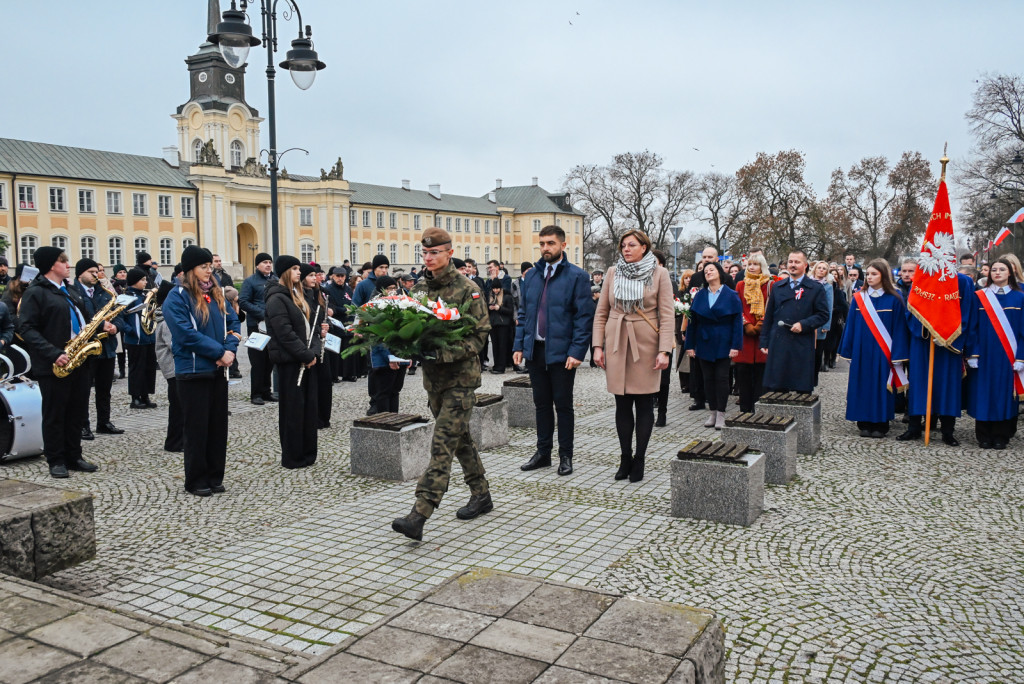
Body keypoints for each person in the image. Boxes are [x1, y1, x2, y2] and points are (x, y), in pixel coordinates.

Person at [392, 227, 492, 541]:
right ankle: (482, 494)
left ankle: (420, 513)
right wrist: (405, 346)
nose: (429, 258)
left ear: (449, 253)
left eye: (435, 252)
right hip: (433, 381)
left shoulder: (468, 288)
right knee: (459, 438)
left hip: (461, 379)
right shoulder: (420, 287)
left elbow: (479, 336)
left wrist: (444, 352)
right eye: (425, 253)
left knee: (442, 444)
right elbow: (413, 326)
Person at [18, 247, 109, 478]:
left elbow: (84, 319)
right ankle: (56, 459)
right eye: (63, 261)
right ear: (51, 265)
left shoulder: (68, 290)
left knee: (76, 412)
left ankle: (74, 455)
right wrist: (52, 352)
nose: (68, 264)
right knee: (55, 413)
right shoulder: (36, 292)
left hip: (79, 360)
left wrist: (101, 326)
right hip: (54, 363)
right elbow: (27, 328)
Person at [513, 225, 595, 476]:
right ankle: (543, 453)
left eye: (550, 243)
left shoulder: (577, 276)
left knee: (563, 405)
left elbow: (583, 318)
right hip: (536, 350)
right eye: (542, 244)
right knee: (541, 405)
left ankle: (565, 456)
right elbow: (525, 313)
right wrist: (519, 345)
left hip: (562, 353)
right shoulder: (532, 276)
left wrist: (577, 352)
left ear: (563, 245)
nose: (545, 248)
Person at [593, 231, 674, 481]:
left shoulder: (659, 274)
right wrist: (597, 346)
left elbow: (667, 314)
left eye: (632, 245)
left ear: (644, 247)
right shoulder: (612, 272)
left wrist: (665, 350)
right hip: (617, 341)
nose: (626, 249)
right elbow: (601, 312)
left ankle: (640, 459)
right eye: (623, 245)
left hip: (646, 344)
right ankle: (624, 457)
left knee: (644, 403)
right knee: (622, 403)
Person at [163, 246, 240, 495]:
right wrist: (219, 353)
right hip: (193, 371)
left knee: (217, 428)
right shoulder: (177, 297)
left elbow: (233, 323)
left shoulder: (216, 293)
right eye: (203, 267)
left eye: (210, 266)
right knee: (197, 429)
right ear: (190, 270)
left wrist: (229, 349)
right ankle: (196, 479)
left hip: (218, 370)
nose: (209, 271)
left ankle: (215, 476)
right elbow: (186, 334)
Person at [898, 266, 973, 446]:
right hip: (923, 342)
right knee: (920, 383)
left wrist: (949, 335)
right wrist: (927, 331)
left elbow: (967, 312)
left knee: (948, 386)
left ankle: (948, 431)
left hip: (949, 344)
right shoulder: (921, 281)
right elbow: (911, 311)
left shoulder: (963, 282)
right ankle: (914, 427)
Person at [837, 259, 910, 438]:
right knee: (862, 385)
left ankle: (881, 423)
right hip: (862, 351)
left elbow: (901, 328)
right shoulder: (859, 298)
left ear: (883, 275)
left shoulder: (895, 298)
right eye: (868, 274)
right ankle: (864, 423)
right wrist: (847, 349)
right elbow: (851, 325)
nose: (869, 277)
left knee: (882, 387)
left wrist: (899, 353)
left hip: (884, 352)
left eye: (874, 274)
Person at [264, 256, 321, 469]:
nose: (299, 272)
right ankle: (293, 455)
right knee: (293, 411)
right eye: (295, 269)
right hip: (290, 363)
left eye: (299, 268)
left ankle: (308, 452)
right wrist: (305, 355)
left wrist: (313, 351)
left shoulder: (298, 295)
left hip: (307, 360)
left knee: (308, 409)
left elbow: (311, 327)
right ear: (285, 272)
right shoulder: (276, 298)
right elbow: (285, 333)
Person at [966, 257, 1024, 449]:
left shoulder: (1020, 297)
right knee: (984, 394)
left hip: (1009, 356)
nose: (997, 273)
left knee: (1005, 395)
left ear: (1010, 273)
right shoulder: (979, 296)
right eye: (993, 270)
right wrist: (972, 353)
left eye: (1002, 269)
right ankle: (983, 435)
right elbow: (971, 327)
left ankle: (1001, 435)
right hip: (984, 355)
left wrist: (1021, 357)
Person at [760, 250, 830, 394]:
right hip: (779, 341)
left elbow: (823, 315)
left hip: (802, 343)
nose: (792, 265)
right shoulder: (778, 287)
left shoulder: (815, 288)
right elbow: (769, 316)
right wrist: (764, 341)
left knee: (801, 388)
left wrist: (804, 324)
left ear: (805, 265)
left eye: (797, 262)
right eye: (790, 262)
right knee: (777, 387)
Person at [685, 261, 743, 430]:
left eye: (712, 270)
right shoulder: (700, 295)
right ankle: (712, 412)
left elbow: (737, 322)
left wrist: (735, 345)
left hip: (724, 342)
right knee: (708, 379)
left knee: (722, 379)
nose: (708, 272)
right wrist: (690, 345)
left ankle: (721, 414)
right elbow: (692, 322)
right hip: (704, 342)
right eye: (705, 271)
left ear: (719, 272)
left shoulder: (731, 295)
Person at [74, 258, 126, 438]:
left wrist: (115, 327)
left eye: (97, 272)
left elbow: (118, 313)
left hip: (107, 346)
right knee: (83, 390)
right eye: (91, 272)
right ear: (80, 273)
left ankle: (104, 421)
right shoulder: (74, 293)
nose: (95, 275)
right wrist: (100, 326)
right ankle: (82, 425)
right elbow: (79, 318)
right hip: (86, 347)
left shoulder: (105, 293)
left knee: (105, 389)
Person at [365, 275, 409, 414]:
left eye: (394, 288)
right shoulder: (375, 308)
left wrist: (407, 355)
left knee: (395, 391)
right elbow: (377, 337)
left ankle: (394, 420)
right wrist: (389, 357)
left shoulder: (401, 305)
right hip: (384, 358)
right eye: (389, 288)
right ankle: (385, 423)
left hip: (399, 356)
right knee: (383, 392)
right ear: (381, 290)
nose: (393, 291)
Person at [239, 253, 278, 405]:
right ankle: (256, 394)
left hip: (272, 326)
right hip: (256, 325)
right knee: (258, 361)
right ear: (257, 265)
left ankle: (266, 391)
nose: (268, 265)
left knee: (270, 360)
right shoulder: (250, 281)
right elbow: (243, 301)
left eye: (269, 262)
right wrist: (262, 314)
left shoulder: (275, 280)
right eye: (264, 262)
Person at [734, 254, 771, 413]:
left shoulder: (770, 285)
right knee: (743, 376)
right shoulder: (741, 285)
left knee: (761, 377)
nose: (751, 267)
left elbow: (771, 307)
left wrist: (761, 323)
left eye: (755, 264)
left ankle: (759, 411)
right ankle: (745, 410)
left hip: (762, 337)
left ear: (762, 266)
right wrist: (747, 323)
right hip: (745, 336)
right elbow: (738, 308)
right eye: (749, 264)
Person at [300, 263, 332, 429]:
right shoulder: (301, 297)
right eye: (311, 275)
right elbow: (305, 322)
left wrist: (326, 326)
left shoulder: (319, 294)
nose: (315, 278)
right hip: (310, 344)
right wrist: (320, 329)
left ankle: (324, 417)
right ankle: (314, 418)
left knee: (325, 382)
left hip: (321, 344)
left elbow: (323, 319)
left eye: (316, 275)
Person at [153, 281, 183, 452]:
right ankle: (174, 442)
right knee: (178, 408)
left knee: (180, 407)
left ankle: (179, 441)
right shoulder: (166, 322)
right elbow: (175, 344)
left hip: (176, 369)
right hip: (173, 370)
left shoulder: (167, 317)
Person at [124, 267, 158, 409]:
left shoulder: (144, 296)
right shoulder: (126, 297)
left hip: (148, 337)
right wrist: (130, 330)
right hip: (135, 339)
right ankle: (135, 397)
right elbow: (120, 317)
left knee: (149, 368)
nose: (145, 282)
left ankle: (146, 395)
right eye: (142, 280)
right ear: (134, 281)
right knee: (136, 369)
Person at [810, 261, 834, 385]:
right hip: (808, 322)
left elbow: (829, 306)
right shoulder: (807, 283)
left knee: (818, 352)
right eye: (819, 268)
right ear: (815, 269)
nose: (821, 270)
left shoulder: (828, 287)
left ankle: (814, 378)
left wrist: (826, 324)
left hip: (820, 323)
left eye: (824, 268)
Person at [486, 279, 514, 374]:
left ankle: (501, 366)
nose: (495, 290)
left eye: (497, 288)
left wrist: (500, 308)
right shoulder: (490, 296)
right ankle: (496, 365)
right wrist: (489, 308)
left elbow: (510, 311)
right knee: (495, 346)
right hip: (493, 324)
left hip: (503, 324)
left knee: (502, 346)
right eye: (494, 289)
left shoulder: (507, 297)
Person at [510, 262, 532, 372]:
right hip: (520, 315)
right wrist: (516, 317)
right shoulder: (515, 284)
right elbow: (513, 303)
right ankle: (516, 364)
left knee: (530, 339)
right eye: (528, 270)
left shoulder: (534, 282)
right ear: (523, 272)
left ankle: (529, 364)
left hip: (531, 315)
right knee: (518, 339)